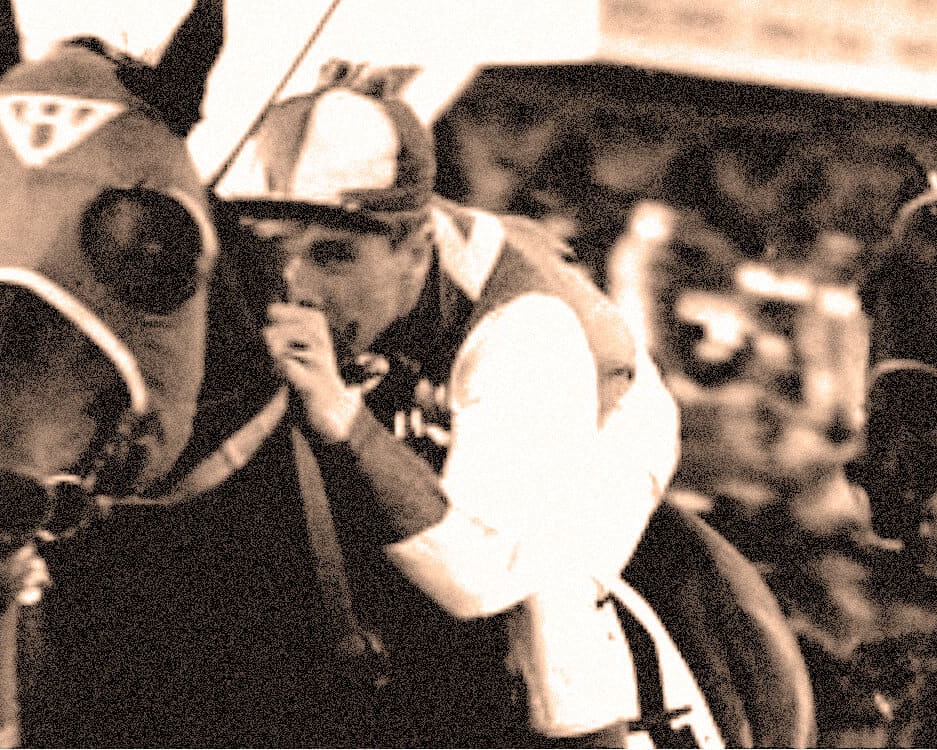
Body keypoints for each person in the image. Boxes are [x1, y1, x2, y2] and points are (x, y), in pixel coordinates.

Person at [220, 60, 703, 747]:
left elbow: (476, 579)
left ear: (414, 248)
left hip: (598, 417)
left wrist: (342, 417)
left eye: (333, 258)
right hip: (424, 374)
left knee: (543, 598)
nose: (295, 289)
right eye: (273, 252)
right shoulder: (362, 253)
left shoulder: (528, 334)